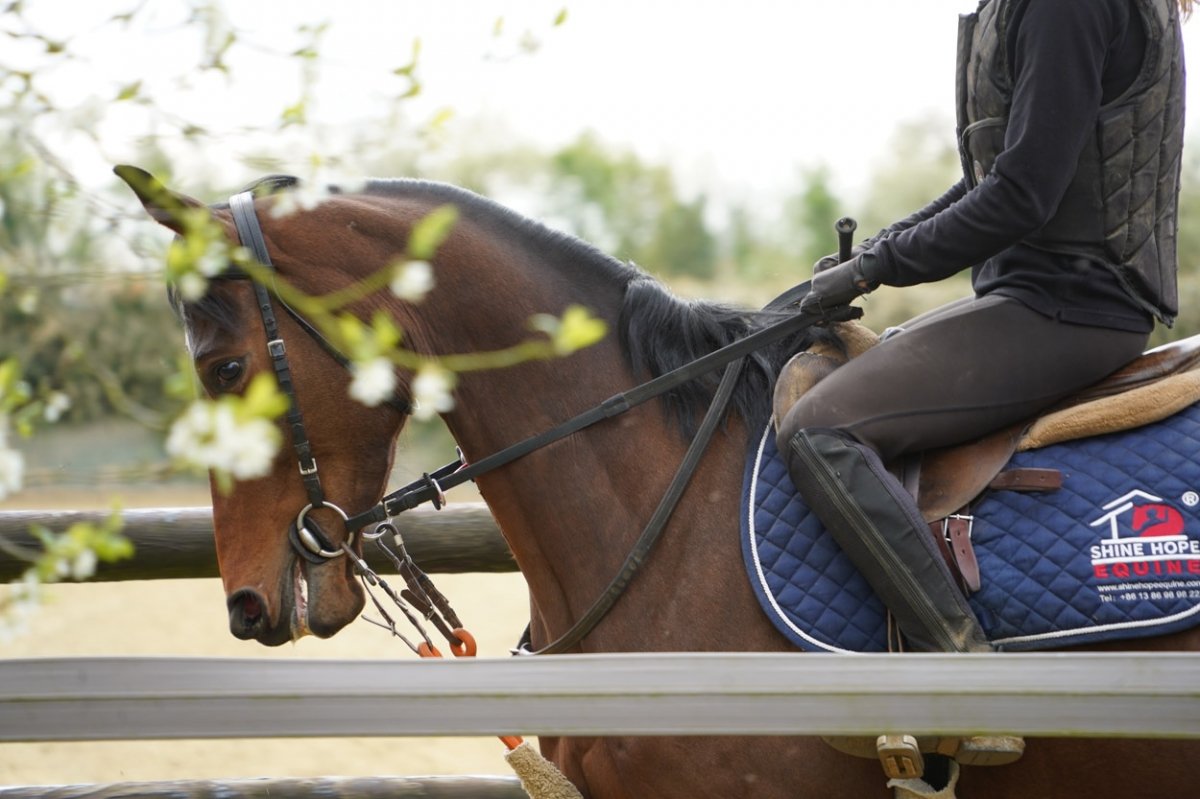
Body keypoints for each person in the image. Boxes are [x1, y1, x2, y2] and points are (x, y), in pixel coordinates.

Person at [777, 0, 1188, 654]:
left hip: (1068, 307)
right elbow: (989, 177)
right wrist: (871, 256)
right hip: (1038, 299)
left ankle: (957, 659)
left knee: (821, 427)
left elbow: (1021, 195)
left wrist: (874, 269)